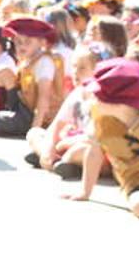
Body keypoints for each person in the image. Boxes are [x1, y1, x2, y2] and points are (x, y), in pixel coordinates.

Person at [67, 57, 139, 221]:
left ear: (121, 102)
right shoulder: (99, 119)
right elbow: (94, 153)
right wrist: (85, 191)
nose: (94, 99)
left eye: (99, 96)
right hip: (137, 184)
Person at [0, 16, 64, 137]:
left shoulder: (44, 62)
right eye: (18, 42)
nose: (22, 46)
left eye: (28, 42)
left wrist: (35, 129)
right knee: (3, 72)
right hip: (23, 107)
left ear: (42, 42)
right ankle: (0, 115)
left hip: (36, 116)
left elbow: (43, 98)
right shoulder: (27, 61)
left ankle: (7, 122)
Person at [25, 45, 105, 178]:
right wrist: (50, 147)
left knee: (78, 152)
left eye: (82, 68)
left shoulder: (101, 97)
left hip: (88, 144)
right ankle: (53, 159)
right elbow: (57, 125)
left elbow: (97, 137)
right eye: (74, 66)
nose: (75, 72)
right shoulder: (76, 93)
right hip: (69, 140)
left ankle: (62, 162)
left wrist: (65, 143)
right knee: (34, 133)